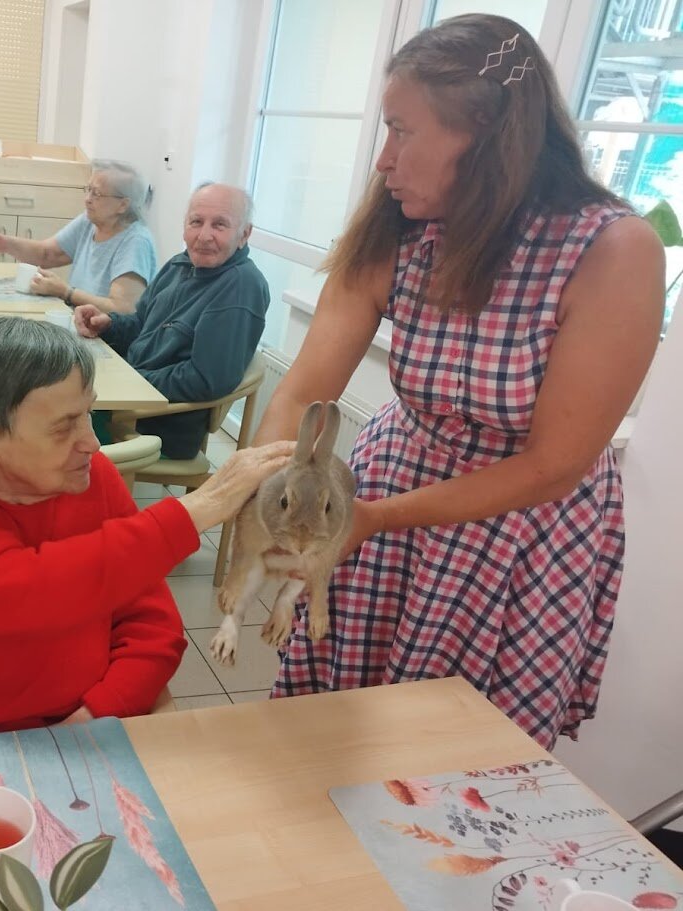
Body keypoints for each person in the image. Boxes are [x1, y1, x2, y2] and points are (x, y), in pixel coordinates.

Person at [250, 14, 664, 749]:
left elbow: (552, 465)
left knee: (452, 749)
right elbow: (302, 392)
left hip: (517, 526)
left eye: (400, 131)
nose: (383, 160)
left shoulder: (611, 250)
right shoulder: (401, 227)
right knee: (334, 724)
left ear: (484, 133)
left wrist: (372, 518)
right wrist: (268, 484)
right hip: (391, 483)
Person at [0, 317, 293, 753]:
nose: (92, 442)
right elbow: (14, 594)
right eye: (65, 427)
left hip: (52, 744)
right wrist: (193, 512)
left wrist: (95, 714)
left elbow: (152, 628)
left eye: (88, 415)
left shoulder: (92, 479)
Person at [74, 183, 268, 459]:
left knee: (55, 425)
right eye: (196, 222)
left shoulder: (240, 287)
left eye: (219, 225)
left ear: (244, 234)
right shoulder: (180, 265)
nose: (204, 236)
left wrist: (131, 379)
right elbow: (141, 324)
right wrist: (108, 324)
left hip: (154, 424)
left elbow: (205, 379)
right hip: (129, 398)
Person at [0, 159, 157, 314]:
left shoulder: (135, 241)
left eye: (97, 194)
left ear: (123, 205)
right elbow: (48, 254)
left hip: (107, 337)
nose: (87, 199)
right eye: (88, 189)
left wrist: (66, 292)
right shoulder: (89, 221)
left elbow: (123, 309)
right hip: (79, 321)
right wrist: (6, 244)